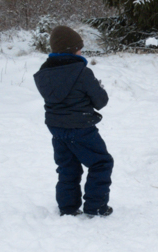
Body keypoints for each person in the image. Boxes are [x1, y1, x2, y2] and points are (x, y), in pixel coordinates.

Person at [33, 25, 114, 217]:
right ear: (71, 50)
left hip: (57, 129)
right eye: (79, 48)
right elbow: (101, 101)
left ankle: (68, 208)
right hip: (81, 127)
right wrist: (98, 87)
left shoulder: (44, 74)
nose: (81, 51)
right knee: (101, 163)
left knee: (67, 167)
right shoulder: (82, 72)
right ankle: (96, 206)